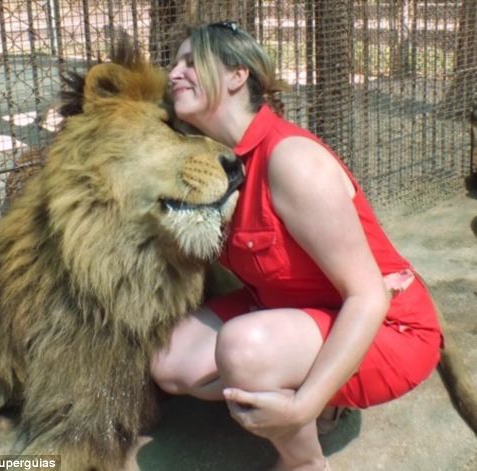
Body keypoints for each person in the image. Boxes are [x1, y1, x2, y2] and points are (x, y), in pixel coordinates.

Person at [151, 22, 443, 471]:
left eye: (191, 62)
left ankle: (305, 461)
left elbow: (368, 296)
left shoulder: (291, 161)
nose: (174, 73)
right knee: (169, 360)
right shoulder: (214, 155)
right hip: (292, 316)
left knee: (242, 349)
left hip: (387, 328)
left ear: (236, 76)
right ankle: (301, 384)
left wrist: (304, 403)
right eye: (174, 62)